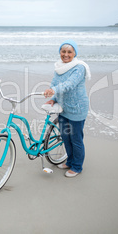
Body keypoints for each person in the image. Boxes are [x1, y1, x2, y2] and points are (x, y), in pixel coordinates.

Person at [43, 40, 90, 178]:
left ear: (75, 53)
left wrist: (53, 90)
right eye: (63, 51)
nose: (66, 54)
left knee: (76, 139)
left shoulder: (79, 67)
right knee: (65, 137)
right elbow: (55, 83)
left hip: (77, 108)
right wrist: (53, 98)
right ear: (60, 52)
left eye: (69, 51)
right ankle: (69, 161)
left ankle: (77, 167)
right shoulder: (59, 67)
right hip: (63, 108)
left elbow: (69, 84)